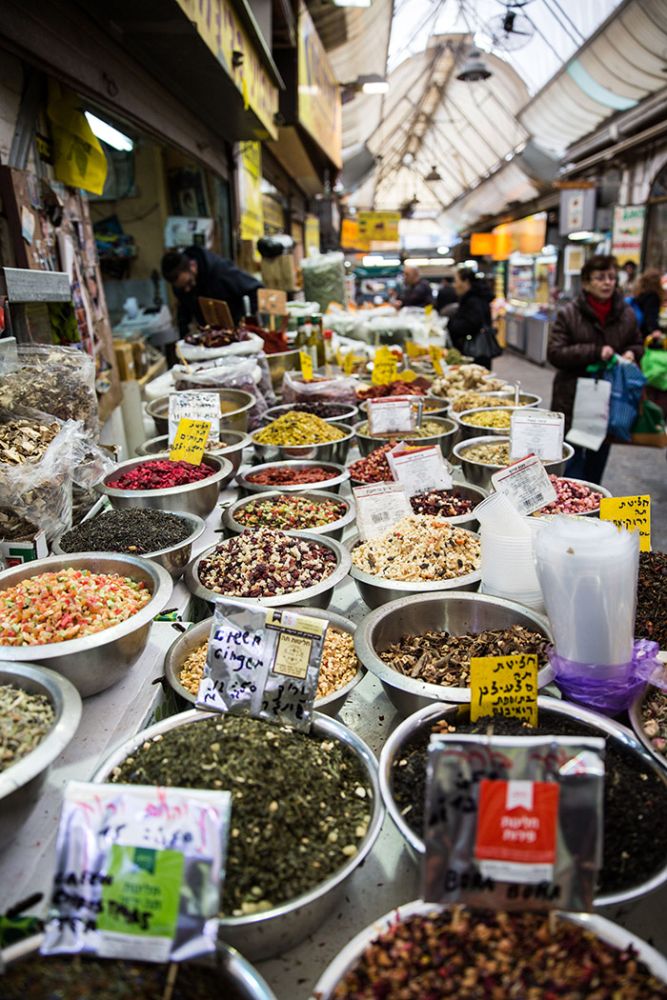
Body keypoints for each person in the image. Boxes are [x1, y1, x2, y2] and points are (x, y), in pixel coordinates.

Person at [548, 253, 644, 484]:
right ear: (587, 283)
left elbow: (637, 342)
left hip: (610, 400)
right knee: (570, 466)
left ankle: (592, 513)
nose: (607, 282)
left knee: (596, 464)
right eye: (600, 277)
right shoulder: (568, 313)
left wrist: (633, 352)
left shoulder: (626, 314)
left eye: (611, 277)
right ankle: (568, 513)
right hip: (572, 400)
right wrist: (594, 352)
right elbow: (555, 353)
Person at [161, 245, 262, 332]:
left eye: (189, 283)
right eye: (183, 288)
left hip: (236, 329)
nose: (187, 289)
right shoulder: (182, 287)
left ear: (193, 266)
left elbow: (257, 291)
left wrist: (246, 322)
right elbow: (184, 310)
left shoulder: (221, 271)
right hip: (210, 332)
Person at [448, 268, 495, 368]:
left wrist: (451, 324)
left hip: (475, 352)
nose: (454, 285)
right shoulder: (478, 297)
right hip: (478, 350)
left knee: (476, 377)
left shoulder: (473, 300)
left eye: (456, 281)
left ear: (466, 282)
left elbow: (471, 324)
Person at [631, 268, 665, 340]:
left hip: (636, 330)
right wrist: (655, 330)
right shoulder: (653, 296)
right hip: (645, 333)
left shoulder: (640, 293)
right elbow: (650, 314)